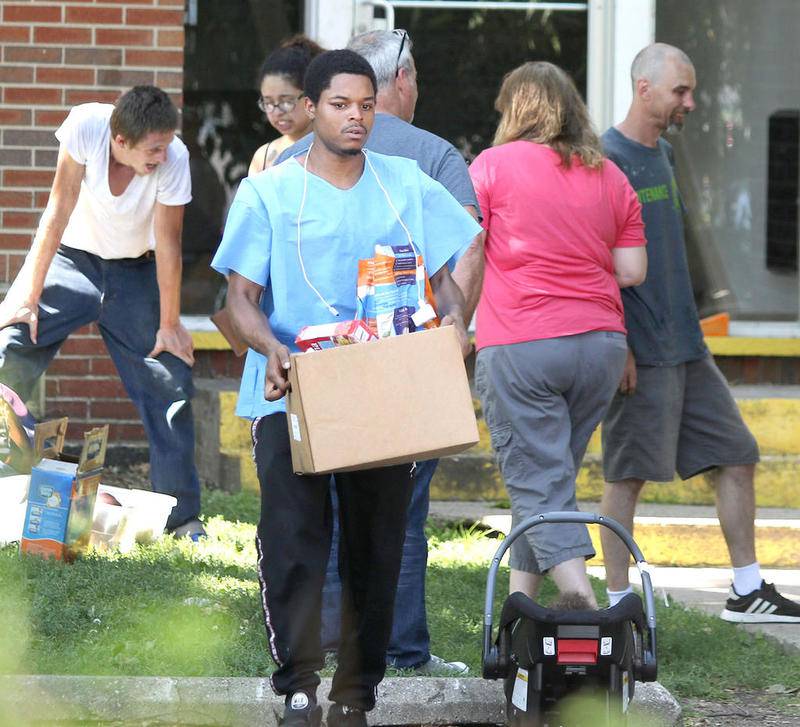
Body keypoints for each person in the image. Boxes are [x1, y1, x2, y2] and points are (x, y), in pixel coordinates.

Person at [212, 50, 481, 727]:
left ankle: (356, 694)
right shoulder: (270, 190)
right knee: (295, 538)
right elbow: (239, 297)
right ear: (310, 108)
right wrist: (270, 346)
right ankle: (299, 685)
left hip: (381, 387)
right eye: (339, 104)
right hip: (288, 387)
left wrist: (455, 321)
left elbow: (446, 275)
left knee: (376, 541)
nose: (356, 116)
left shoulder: (405, 183)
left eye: (365, 104)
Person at [275, 29, 483, 675]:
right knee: (402, 514)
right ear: (401, 80)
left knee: (325, 508)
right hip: (404, 360)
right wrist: (454, 331)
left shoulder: (294, 160)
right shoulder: (433, 156)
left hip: (319, 360)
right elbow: (467, 249)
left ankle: (332, 644)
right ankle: (402, 649)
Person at [599, 43, 800, 623]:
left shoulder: (662, 154)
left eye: (690, 90)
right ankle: (617, 603)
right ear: (644, 89)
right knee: (628, 475)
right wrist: (622, 345)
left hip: (687, 346)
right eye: (680, 91)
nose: (691, 101)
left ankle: (747, 590)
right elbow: (594, 262)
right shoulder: (605, 161)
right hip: (642, 353)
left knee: (737, 454)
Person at [469, 62, 647, 608]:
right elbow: (632, 270)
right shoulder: (610, 174)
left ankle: (587, 609)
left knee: (537, 482)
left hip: (522, 343)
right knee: (549, 482)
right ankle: (520, 611)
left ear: (514, 110)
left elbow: (469, 252)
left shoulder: (492, 167)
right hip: (599, 346)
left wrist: (455, 324)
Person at [0, 86, 203, 538]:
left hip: (137, 273)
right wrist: (26, 295)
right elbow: (57, 209)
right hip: (73, 262)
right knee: (7, 348)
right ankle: (7, 487)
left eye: (167, 144)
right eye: (154, 148)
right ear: (120, 141)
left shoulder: (175, 159)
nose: (163, 155)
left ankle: (183, 516)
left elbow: (169, 242)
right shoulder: (85, 126)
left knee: (169, 382)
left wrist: (170, 325)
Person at [248, 35, 324, 176]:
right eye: (268, 103)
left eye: (287, 102)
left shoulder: (335, 151)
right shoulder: (264, 156)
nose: (277, 112)